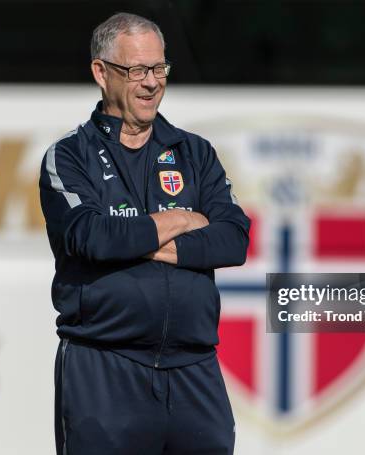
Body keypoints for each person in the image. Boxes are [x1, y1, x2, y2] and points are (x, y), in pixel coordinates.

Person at [39, 12, 250, 455]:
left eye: (159, 68)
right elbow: (93, 237)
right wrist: (183, 219)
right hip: (105, 368)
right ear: (101, 72)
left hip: (196, 371)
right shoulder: (69, 156)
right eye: (137, 70)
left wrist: (137, 237)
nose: (152, 82)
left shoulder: (194, 152)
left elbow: (234, 239)